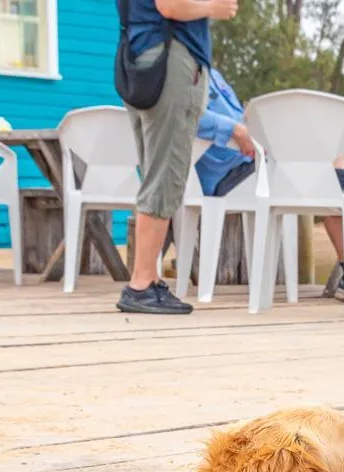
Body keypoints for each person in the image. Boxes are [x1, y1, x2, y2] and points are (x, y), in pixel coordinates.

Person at [190, 66, 344, 304]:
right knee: (322, 160)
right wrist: (234, 130)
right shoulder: (178, 66)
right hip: (227, 173)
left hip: (255, 162)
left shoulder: (212, 73)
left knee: (322, 140)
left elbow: (241, 118)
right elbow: (180, 112)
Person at [118, 0, 238, 315]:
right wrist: (213, 8)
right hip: (171, 59)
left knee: (155, 171)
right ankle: (142, 283)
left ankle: (147, 278)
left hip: (141, 57)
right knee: (165, 174)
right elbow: (171, 6)